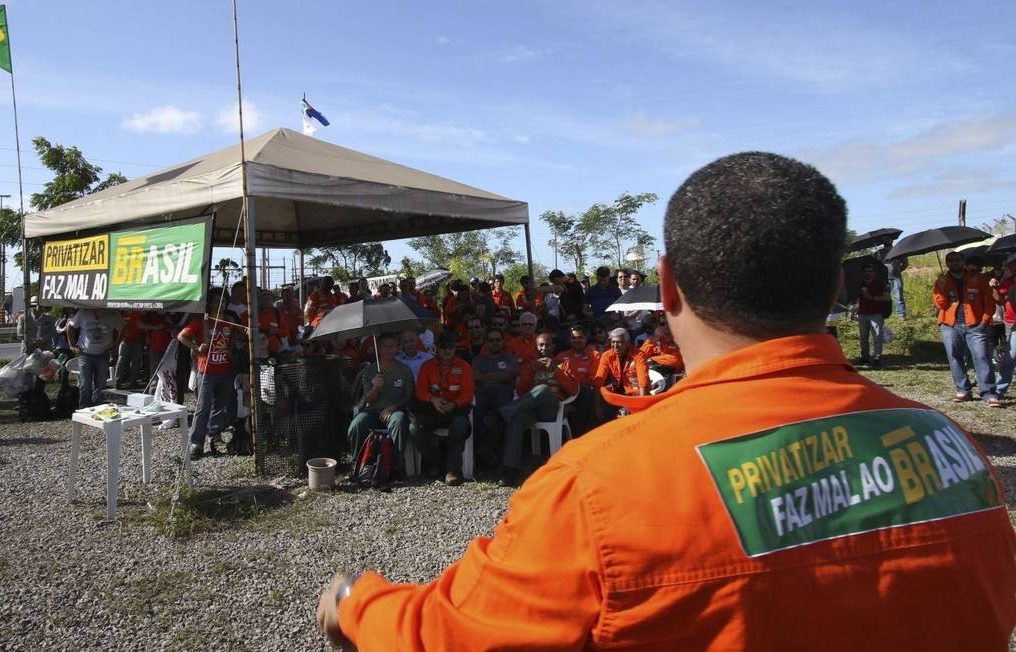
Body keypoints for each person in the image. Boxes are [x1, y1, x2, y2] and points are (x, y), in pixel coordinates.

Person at [317, 152, 1016, 650]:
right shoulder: (956, 449)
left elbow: (449, 637)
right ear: (836, 288)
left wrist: (358, 603)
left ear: (667, 287)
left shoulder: (596, 489)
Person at [495, 332, 578, 487]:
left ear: (553, 346)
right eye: (540, 345)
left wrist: (557, 372)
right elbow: (520, 392)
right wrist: (529, 373)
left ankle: (504, 412)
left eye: (547, 344)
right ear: (536, 347)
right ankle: (509, 471)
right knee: (517, 422)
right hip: (533, 410)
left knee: (543, 389)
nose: (544, 348)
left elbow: (574, 390)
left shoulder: (562, 363)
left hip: (552, 409)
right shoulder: (531, 366)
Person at [933, 251, 1000, 407]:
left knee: (981, 357)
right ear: (947, 263)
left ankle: (989, 393)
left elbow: (989, 301)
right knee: (954, 357)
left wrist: (984, 320)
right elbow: (940, 305)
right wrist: (942, 289)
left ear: (962, 261)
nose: (954, 263)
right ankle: (963, 390)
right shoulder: (942, 281)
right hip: (950, 325)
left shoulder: (978, 278)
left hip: (975, 324)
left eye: (957, 259)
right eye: (951, 260)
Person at [178, 289, 240, 458]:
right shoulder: (202, 321)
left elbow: (236, 336)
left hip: (225, 370)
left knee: (220, 406)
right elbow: (182, 336)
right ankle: (196, 443)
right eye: (216, 301)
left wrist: (232, 346)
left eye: (223, 301)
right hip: (206, 371)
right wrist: (196, 348)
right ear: (210, 303)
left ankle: (214, 436)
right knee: (202, 407)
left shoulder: (229, 321)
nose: (220, 304)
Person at [409, 332, 474, 486]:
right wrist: (433, 399)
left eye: (450, 347)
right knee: (414, 429)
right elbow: (420, 391)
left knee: (459, 427)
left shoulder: (464, 366)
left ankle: (453, 470)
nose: (447, 351)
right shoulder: (427, 366)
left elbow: (468, 392)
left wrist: (454, 404)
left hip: (455, 408)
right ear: (437, 348)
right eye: (443, 347)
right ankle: (434, 463)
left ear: (455, 348)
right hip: (432, 408)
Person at [348, 333, 413, 467]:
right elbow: (369, 399)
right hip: (373, 410)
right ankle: (358, 464)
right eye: (384, 346)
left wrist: (393, 407)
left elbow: (408, 395)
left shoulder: (405, 370)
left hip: (394, 410)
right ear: (378, 348)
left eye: (392, 346)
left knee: (399, 422)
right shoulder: (370, 370)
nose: (388, 350)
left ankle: (396, 466)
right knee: (356, 425)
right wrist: (376, 388)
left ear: (397, 348)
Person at [470, 327, 520, 469]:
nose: (495, 343)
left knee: (498, 418)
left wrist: (485, 376)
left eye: (498, 339)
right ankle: (483, 453)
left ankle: (487, 453)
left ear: (503, 341)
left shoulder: (510, 358)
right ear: (486, 342)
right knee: (475, 416)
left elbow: (508, 375)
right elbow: (475, 376)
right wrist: (497, 377)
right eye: (491, 340)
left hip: (504, 398)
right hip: (482, 398)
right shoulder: (478, 359)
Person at [67, 307, 124, 409]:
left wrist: (116, 346)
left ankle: (98, 407)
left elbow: (123, 328)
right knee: (85, 383)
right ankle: (83, 408)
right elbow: (70, 326)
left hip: (103, 354)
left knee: (101, 384)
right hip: (85, 353)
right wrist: (72, 345)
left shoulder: (113, 314)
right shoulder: (83, 313)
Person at [553, 324, 600, 435]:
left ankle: (578, 436)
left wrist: (572, 389)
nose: (576, 340)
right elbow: (555, 378)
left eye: (580, 337)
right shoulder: (560, 356)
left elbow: (592, 381)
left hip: (582, 395)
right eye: (573, 338)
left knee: (585, 390)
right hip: (563, 394)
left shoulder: (595, 356)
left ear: (586, 339)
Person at [592, 327, 649, 396]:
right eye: (613, 342)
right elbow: (599, 381)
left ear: (628, 343)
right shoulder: (606, 356)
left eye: (619, 342)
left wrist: (642, 402)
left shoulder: (639, 355)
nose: (615, 346)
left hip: (635, 394)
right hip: (616, 394)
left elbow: (643, 382)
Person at [856, 262, 890, 367]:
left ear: (874, 272)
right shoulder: (859, 284)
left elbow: (887, 297)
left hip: (876, 313)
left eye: (870, 271)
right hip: (862, 313)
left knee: (877, 337)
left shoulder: (880, 283)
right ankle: (865, 357)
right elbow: (855, 299)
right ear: (862, 272)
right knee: (863, 338)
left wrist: (873, 298)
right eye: (866, 271)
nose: (868, 273)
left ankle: (877, 358)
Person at [994, 255, 1016, 398]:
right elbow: (1000, 300)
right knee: (1010, 356)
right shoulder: (1008, 282)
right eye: (1010, 265)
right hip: (1013, 323)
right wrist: (994, 288)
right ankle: (999, 389)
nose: (1010, 267)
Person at [114, 310, 145, 389]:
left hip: (137, 340)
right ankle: (117, 381)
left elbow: (143, 324)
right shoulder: (122, 312)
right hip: (124, 340)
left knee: (135, 362)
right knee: (121, 361)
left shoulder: (139, 312)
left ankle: (132, 381)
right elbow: (117, 325)